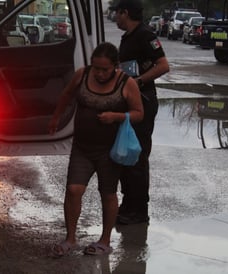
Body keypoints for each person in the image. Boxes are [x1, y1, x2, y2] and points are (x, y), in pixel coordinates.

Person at [48, 42, 144, 256]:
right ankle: (70, 239)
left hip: (109, 151)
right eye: (96, 68)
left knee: (108, 193)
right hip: (82, 147)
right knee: (73, 190)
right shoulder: (82, 74)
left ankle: (105, 240)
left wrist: (116, 117)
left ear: (115, 67)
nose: (99, 73)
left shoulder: (126, 83)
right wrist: (56, 118)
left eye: (105, 69)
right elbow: (66, 95)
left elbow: (139, 113)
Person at [111, 0, 170, 225]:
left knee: (137, 156)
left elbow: (163, 65)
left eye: (117, 13)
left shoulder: (145, 35)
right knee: (127, 155)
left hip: (143, 103)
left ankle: (139, 210)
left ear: (125, 13)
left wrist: (136, 82)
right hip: (130, 103)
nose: (115, 18)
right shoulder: (129, 36)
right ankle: (129, 204)